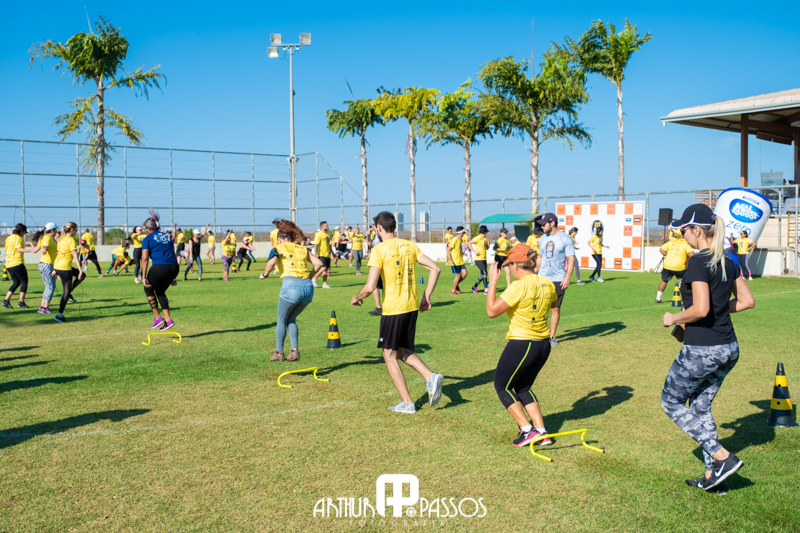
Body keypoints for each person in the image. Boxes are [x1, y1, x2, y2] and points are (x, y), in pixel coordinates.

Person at [661, 204, 754, 492]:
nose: (682, 235)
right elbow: (746, 301)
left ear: (697, 230)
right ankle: (713, 476)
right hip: (728, 347)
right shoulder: (728, 260)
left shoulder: (699, 262)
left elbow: (700, 309)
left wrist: (674, 318)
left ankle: (722, 457)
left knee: (670, 402)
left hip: (704, 349)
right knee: (700, 406)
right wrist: (714, 310)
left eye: (684, 230)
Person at [351, 211, 444, 414]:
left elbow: (370, 286)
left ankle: (408, 403)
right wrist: (426, 296)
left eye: (374, 227)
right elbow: (435, 269)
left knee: (389, 354)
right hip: (411, 307)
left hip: (394, 309)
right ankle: (430, 377)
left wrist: (356, 297)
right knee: (400, 351)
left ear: (379, 227)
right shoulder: (409, 245)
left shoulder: (378, 249)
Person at [485, 244, 556, 446]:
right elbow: (553, 306)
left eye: (510, 265)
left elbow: (492, 311)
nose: (510, 269)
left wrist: (492, 282)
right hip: (543, 344)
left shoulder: (518, 286)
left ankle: (527, 430)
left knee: (502, 386)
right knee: (523, 386)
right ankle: (541, 431)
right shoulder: (547, 283)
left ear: (516, 265)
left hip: (523, 343)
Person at [260, 220, 324, 362]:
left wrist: (265, 274)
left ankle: (279, 352)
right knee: (291, 319)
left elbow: (271, 262)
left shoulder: (278, 248)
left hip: (291, 287)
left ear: (280, 239)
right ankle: (294, 351)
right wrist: (310, 277)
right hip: (308, 288)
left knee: (281, 319)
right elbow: (319, 263)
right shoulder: (301, 248)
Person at [535, 213, 575, 347]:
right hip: (542, 278)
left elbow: (571, 259)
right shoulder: (543, 238)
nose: (542, 227)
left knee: (555, 309)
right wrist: (534, 272)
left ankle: (552, 337)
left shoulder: (565, 238)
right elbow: (540, 257)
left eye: (544, 224)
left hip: (558, 279)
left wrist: (567, 277)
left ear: (552, 223)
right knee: (539, 308)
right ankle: (538, 335)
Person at [141, 209, 180, 331]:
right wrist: (172, 276)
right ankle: (168, 320)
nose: (145, 231)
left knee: (148, 289)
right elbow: (173, 253)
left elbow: (145, 258)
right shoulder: (167, 237)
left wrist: (143, 277)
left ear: (149, 229)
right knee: (160, 291)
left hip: (160, 267)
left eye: (145, 229)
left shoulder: (147, 239)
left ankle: (158, 318)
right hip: (174, 267)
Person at [52, 222, 85, 323]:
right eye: (76, 229)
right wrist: (80, 270)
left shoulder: (60, 239)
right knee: (65, 292)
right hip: (65, 268)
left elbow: (58, 254)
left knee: (82, 276)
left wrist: (55, 269)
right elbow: (75, 257)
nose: (77, 231)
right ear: (72, 229)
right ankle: (59, 315)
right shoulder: (70, 240)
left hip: (58, 266)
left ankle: (70, 291)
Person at [3, 223, 39, 310]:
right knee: (24, 282)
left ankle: (6, 300)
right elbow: (18, 249)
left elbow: (6, 250)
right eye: (24, 232)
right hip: (17, 263)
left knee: (16, 282)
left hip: (8, 264)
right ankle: (21, 302)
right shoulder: (18, 238)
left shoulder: (9, 238)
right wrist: (30, 250)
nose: (24, 234)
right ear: (21, 231)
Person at [656, 228, 695, 303]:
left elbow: (661, 250)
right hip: (679, 267)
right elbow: (691, 254)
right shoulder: (686, 244)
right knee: (686, 279)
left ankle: (658, 298)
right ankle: (683, 290)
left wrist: (668, 256)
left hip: (667, 265)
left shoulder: (671, 242)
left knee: (664, 280)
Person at [32, 222, 60, 314]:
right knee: (51, 287)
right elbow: (44, 248)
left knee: (48, 287)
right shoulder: (47, 238)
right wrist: (45, 249)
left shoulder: (44, 238)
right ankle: (45, 307)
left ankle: (42, 307)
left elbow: (35, 250)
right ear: (52, 230)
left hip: (43, 265)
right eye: (56, 230)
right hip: (48, 265)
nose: (57, 231)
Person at [447, 227, 468, 295]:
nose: (464, 233)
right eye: (463, 232)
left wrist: (463, 253)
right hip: (455, 261)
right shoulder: (454, 240)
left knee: (465, 273)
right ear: (461, 233)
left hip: (460, 261)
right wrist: (450, 259)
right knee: (458, 275)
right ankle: (452, 290)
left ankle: (456, 285)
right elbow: (448, 249)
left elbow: (459, 249)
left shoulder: (460, 240)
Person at [470, 225, 490, 294]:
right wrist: (475, 251)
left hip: (484, 258)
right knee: (485, 272)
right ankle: (486, 289)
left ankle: (474, 287)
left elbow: (487, 248)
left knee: (482, 275)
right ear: (484, 232)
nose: (487, 233)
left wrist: (488, 243)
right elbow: (469, 243)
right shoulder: (477, 238)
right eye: (486, 232)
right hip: (478, 259)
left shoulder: (485, 239)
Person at [312, 221, 332, 289]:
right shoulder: (319, 234)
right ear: (322, 227)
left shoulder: (327, 235)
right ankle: (314, 278)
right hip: (321, 254)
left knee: (325, 271)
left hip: (327, 255)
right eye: (326, 226)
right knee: (324, 268)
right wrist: (315, 255)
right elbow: (316, 244)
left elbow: (329, 245)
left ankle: (324, 284)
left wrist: (332, 253)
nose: (328, 227)